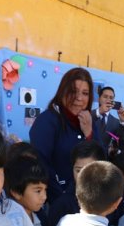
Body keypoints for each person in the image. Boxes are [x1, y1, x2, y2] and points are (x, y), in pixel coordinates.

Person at [30, 68, 99, 202]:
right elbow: (41, 164)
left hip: (86, 201)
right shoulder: (48, 120)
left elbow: (101, 160)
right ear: (62, 92)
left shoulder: (88, 120)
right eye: (73, 91)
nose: (79, 98)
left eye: (85, 93)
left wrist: (89, 133)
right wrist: (62, 198)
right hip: (54, 201)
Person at [47, 140, 107, 226]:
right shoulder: (61, 206)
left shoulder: (111, 200)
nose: (83, 176)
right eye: (78, 171)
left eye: (89, 170)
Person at [93, 86, 124, 152]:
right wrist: (100, 111)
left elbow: (120, 141)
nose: (108, 100)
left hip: (105, 159)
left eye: (111, 98)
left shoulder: (116, 122)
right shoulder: (89, 114)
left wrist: (123, 122)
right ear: (99, 99)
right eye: (105, 96)